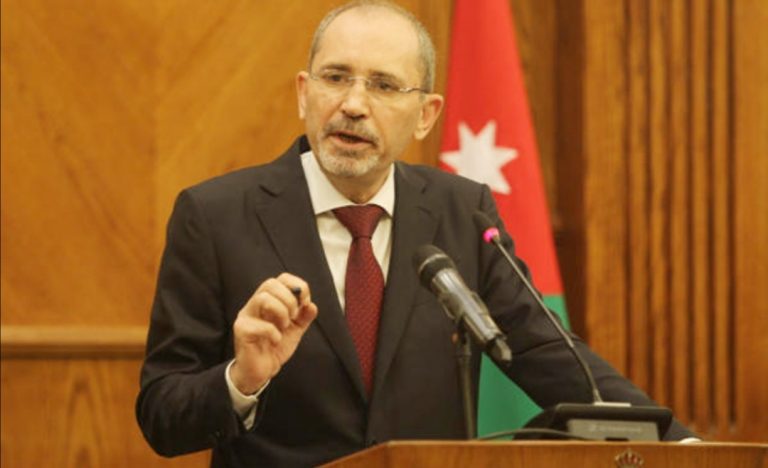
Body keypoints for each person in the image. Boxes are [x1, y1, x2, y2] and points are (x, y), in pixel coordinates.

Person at [136, 1, 696, 466]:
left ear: (426, 114)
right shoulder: (214, 216)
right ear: (305, 92)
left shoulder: (463, 212)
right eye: (336, 78)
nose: (353, 105)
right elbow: (162, 415)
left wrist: (680, 447)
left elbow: (543, 350)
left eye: (383, 85)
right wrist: (240, 380)